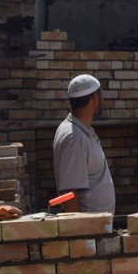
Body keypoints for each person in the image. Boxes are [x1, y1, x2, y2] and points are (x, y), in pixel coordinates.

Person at [52, 74, 115, 222]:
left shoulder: (82, 131)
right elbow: (69, 192)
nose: (103, 101)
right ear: (94, 99)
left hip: (97, 227)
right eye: (101, 96)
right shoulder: (74, 137)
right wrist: (80, 231)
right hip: (89, 229)